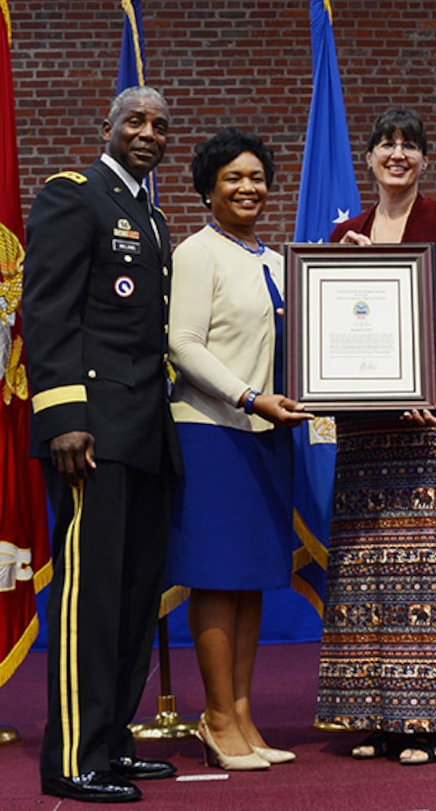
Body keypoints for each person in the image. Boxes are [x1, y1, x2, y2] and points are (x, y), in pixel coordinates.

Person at [314, 108, 436, 766]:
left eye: (409, 146)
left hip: (434, 423)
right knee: (368, 580)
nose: (397, 154)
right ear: (368, 159)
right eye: (385, 145)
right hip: (365, 432)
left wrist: (433, 382)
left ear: (425, 160)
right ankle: (375, 716)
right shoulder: (344, 235)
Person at [23, 85, 181, 803]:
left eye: (159, 126)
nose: (148, 133)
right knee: (89, 599)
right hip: (91, 431)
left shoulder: (151, 216)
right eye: (136, 122)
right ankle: (73, 758)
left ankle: (114, 742)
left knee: (132, 595)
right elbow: (47, 307)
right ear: (109, 128)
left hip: (146, 430)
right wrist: (61, 415)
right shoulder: (75, 194)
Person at [167, 128, 313, 771]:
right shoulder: (197, 254)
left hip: (266, 436)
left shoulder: (279, 261)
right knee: (217, 579)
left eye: (257, 177)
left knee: (252, 580)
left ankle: (244, 714)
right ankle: (217, 717)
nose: (248, 187)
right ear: (207, 189)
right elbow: (183, 345)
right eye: (233, 177)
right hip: (211, 431)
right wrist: (251, 397)